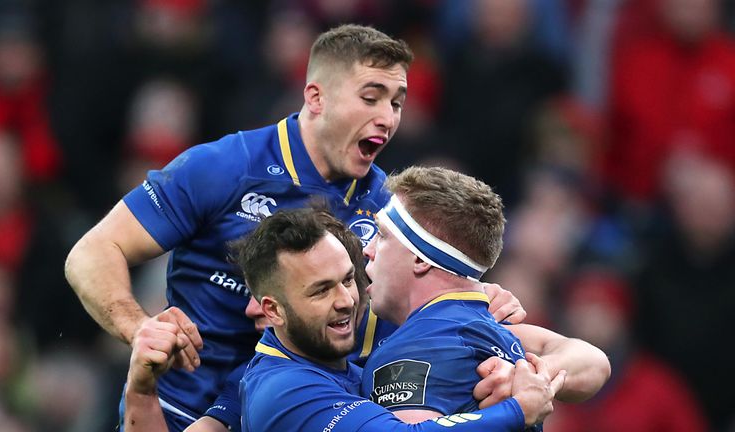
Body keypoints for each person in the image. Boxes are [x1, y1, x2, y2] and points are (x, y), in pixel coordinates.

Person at [64, 24, 413, 430]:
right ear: (316, 98)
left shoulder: (388, 207)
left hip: (297, 416)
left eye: (397, 103)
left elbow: (416, 308)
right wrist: (138, 326)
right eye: (371, 98)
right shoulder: (225, 167)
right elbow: (92, 252)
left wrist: (484, 302)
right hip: (181, 413)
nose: (386, 118)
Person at [123, 208, 566, 431]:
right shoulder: (285, 390)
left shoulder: (341, 364)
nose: (346, 301)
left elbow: (589, 359)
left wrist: (519, 372)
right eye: (320, 290)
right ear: (271, 309)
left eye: (347, 280)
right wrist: (516, 408)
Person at [360, 167, 611, 427]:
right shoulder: (490, 329)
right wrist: (527, 376)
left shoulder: (415, 347)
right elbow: (595, 361)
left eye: (382, 236)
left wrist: (527, 382)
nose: (368, 250)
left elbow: (596, 362)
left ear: (420, 258)